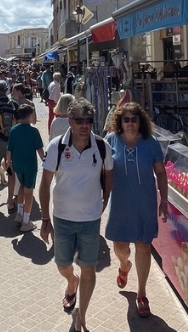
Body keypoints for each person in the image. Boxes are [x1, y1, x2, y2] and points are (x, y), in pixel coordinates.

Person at [39, 98, 114, 332]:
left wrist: (104, 201)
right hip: (62, 218)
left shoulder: (102, 146)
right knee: (62, 264)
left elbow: (109, 175)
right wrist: (44, 219)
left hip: (90, 219)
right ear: (70, 121)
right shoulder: (57, 147)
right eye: (80, 120)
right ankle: (72, 282)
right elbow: (45, 183)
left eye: (89, 121)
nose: (85, 125)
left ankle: (82, 316)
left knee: (88, 267)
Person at [104, 102, 168, 318]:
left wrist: (164, 200)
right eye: (126, 119)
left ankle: (142, 293)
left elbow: (160, 173)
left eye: (134, 119)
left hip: (145, 202)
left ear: (141, 121)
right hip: (120, 202)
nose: (130, 123)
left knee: (143, 246)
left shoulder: (151, 143)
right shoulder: (110, 141)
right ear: (120, 122)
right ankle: (124, 265)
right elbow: (100, 171)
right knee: (120, 246)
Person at [5, 104, 45, 232]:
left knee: (21, 187)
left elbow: (9, 148)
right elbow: (40, 150)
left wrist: (8, 163)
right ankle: (26, 222)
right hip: (30, 165)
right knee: (29, 191)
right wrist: (45, 160)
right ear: (29, 115)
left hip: (17, 164)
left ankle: (19, 214)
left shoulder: (14, 129)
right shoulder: (34, 131)